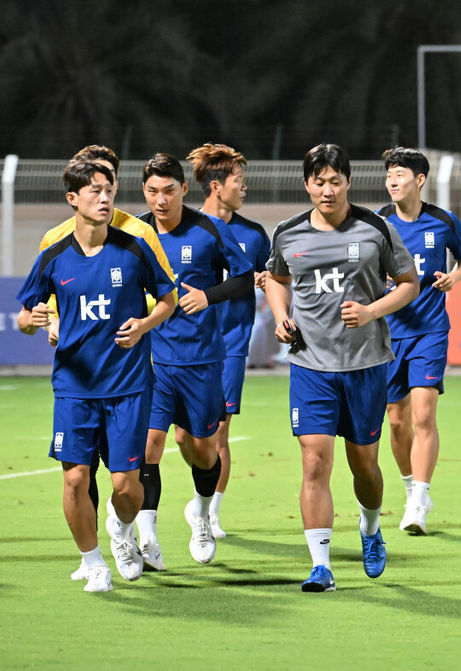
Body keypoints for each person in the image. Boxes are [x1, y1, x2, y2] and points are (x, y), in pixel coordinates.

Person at [265, 143, 418, 591]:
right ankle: (321, 565)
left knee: (364, 465)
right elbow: (276, 277)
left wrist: (372, 312)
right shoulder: (288, 233)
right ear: (306, 184)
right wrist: (281, 317)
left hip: (366, 364)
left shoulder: (376, 228)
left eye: (335, 181)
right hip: (311, 364)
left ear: (348, 182)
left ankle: (370, 529)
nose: (327, 189)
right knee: (315, 461)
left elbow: (409, 284)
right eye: (318, 181)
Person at [17, 159, 176, 591]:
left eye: (109, 190)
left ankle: (121, 530)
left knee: (126, 487)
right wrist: (32, 320)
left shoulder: (134, 247)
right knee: (74, 477)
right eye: (94, 191)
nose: (105, 198)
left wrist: (144, 325)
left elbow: (168, 299)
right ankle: (93, 561)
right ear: (73, 199)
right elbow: (25, 317)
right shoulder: (53, 253)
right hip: (74, 387)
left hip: (127, 386)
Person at [137, 153, 254, 568]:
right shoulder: (135, 234)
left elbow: (243, 277)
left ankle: (202, 514)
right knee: (149, 444)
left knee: (200, 449)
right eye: (152, 191)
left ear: (184, 190)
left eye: (169, 190)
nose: (160, 199)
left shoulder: (209, 230)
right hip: (150, 362)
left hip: (202, 361)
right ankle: (147, 536)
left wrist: (209, 296)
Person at [376, 147, 461, 535]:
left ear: (419, 180)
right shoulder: (377, 223)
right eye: (388, 176)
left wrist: (455, 276)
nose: (392, 182)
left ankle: (419, 499)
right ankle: (409, 487)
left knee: (421, 416)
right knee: (396, 420)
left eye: (399, 175)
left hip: (430, 330)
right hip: (386, 332)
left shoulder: (443, 221)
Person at [187, 143, 271, 539]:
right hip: (184, 344)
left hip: (232, 342)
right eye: (239, 181)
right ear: (217, 186)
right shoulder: (183, 228)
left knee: (219, 430)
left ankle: (209, 512)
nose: (245, 187)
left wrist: (266, 282)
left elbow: (273, 277)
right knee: (185, 434)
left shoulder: (254, 234)